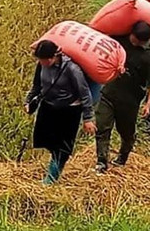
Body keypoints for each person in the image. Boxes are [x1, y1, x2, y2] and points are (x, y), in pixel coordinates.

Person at [24, 40, 96, 184]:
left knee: (62, 147)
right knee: (47, 141)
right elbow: (37, 85)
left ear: (53, 57)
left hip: (68, 111)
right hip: (48, 107)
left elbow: (85, 94)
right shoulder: (41, 65)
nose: (41, 62)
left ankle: (51, 178)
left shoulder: (72, 69)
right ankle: (53, 166)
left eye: (44, 60)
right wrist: (29, 100)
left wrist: (87, 119)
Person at [95, 21, 150, 174]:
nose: (132, 40)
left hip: (129, 101)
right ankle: (101, 162)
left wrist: (148, 104)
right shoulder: (120, 39)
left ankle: (123, 156)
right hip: (109, 93)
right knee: (102, 127)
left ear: (143, 41)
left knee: (126, 132)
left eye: (136, 39)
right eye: (132, 36)